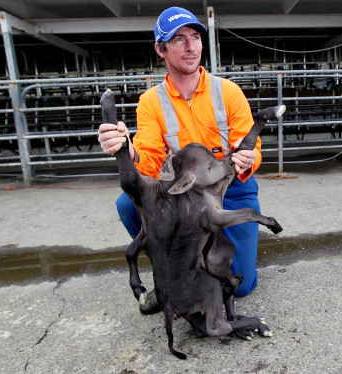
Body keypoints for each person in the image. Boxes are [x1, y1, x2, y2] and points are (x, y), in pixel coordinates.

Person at [97, 6, 263, 313]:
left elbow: (251, 146)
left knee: (241, 285)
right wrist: (126, 149)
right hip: (185, 194)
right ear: (160, 49)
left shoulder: (228, 91)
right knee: (127, 204)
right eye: (178, 39)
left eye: (195, 37)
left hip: (231, 189)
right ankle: (176, 267)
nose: (191, 46)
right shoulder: (150, 102)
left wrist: (249, 155)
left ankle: (219, 249)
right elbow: (147, 162)